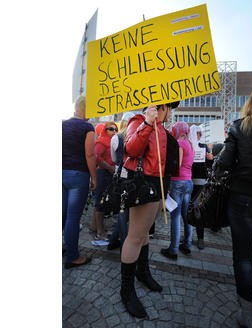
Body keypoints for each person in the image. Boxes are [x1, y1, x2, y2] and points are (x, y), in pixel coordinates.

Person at [120, 101, 179, 318]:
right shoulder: (139, 120)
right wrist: (147, 122)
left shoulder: (162, 128)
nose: (170, 112)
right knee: (134, 237)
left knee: (144, 234)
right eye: (168, 108)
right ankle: (126, 291)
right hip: (142, 184)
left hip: (157, 186)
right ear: (159, 107)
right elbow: (131, 149)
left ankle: (142, 272)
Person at [214, 88, 252, 328]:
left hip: (243, 198)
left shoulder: (240, 127)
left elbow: (223, 163)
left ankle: (249, 314)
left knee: (244, 256)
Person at [62, 96, 96, 269]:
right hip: (78, 176)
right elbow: (90, 154)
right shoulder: (87, 127)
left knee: (61, 215)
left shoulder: (61, 124)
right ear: (87, 109)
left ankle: (64, 247)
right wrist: (94, 178)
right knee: (73, 218)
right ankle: (72, 256)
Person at [160, 122, 194, 260]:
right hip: (188, 182)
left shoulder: (179, 143)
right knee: (186, 215)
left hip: (178, 182)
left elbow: (177, 165)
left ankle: (173, 249)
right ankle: (187, 244)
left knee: (175, 215)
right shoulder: (190, 143)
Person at [107, 116, 131, 250]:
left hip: (119, 177)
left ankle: (118, 242)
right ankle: (121, 243)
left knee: (122, 211)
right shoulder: (135, 137)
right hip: (133, 178)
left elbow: (113, 158)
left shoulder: (116, 138)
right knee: (126, 212)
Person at [188, 125, 214, 250]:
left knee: (198, 211)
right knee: (188, 211)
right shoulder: (188, 145)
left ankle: (200, 238)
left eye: (200, 133)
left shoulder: (204, 147)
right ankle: (188, 237)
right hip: (189, 182)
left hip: (200, 183)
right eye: (198, 133)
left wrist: (210, 159)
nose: (200, 135)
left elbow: (209, 165)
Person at [91, 121, 118, 243]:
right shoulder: (101, 141)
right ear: (105, 130)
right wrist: (109, 167)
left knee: (103, 203)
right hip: (102, 174)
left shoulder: (113, 141)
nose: (114, 131)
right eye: (111, 129)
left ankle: (97, 228)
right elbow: (95, 156)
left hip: (108, 175)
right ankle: (100, 232)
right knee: (100, 203)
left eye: (115, 129)